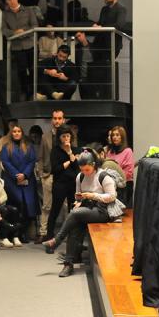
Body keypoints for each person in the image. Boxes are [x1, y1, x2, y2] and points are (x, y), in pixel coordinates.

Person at [43, 149, 116, 277]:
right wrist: (79, 200)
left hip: (102, 210)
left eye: (87, 170)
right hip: (86, 209)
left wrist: (93, 196)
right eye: (82, 170)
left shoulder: (104, 176)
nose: (84, 173)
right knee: (75, 226)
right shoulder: (80, 176)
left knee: (75, 214)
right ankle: (68, 264)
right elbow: (78, 197)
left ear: (93, 165)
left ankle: (57, 241)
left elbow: (112, 197)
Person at [0, 125, 39, 241]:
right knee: (16, 205)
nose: (16, 133)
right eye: (14, 131)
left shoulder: (29, 147)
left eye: (19, 131)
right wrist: (16, 175)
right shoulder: (6, 147)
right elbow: (6, 162)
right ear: (11, 134)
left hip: (27, 181)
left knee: (28, 206)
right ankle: (13, 234)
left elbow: (32, 162)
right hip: (12, 181)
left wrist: (24, 174)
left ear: (22, 133)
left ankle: (23, 233)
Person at [46, 125, 81, 242]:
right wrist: (68, 162)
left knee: (73, 211)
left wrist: (70, 152)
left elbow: (77, 168)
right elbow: (55, 169)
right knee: (55, 211)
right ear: (59, 138)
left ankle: (73, 239)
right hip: (59, 184)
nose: (66, 138)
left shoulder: (76, 150)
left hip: (73, 184)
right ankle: (49, 237)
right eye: (63, 136)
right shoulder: (55, 151)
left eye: (68, 136)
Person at [90, 0, 127, 99]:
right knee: (99, 70)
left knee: (107, 69)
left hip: (112, 43)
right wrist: (96, 25)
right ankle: (99, 95)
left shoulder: (121, 9)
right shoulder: (104, 9)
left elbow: (119, 25)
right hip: (100, 43)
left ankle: (108, 95)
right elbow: (101, 22)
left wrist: (101, 26)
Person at [2, 0, 39, 101]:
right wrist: (14, 33)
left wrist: (23, 31)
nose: (12, 1)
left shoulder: (28, 10)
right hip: (17, 46)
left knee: (33, 69)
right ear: (6, 1)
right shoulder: (5, 14)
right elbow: (3, 30)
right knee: (21, 71)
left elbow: (35, 25)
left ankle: (33, 92)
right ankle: (25, 91)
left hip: (30, 44)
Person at [36, 110, 64, 243]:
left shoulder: (68, 135)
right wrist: (41, 173)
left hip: (63, 176)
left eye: (59, 118)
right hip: (48, 174)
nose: (57, 121)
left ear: (63, 120)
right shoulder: (45, 137)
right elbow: (40, 156)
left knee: (65, 206)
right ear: (52, 120)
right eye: (55, 118)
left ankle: (65, 233)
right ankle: (43, 232)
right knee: (46, 205)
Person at [106, 126, 134, 207]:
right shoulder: (110, 152)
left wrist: (115, 179)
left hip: (124, 186)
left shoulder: (128, 151)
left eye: (117, 135)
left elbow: (129, 171)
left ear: (122, 137)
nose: (115, 137)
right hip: (111, 185)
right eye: (113, 135)